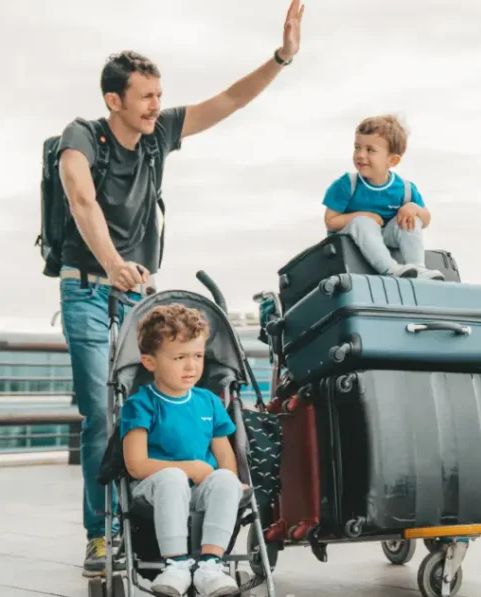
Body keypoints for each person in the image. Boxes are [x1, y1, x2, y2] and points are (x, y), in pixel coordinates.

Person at [56, 0, 304, 577]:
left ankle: (181, 523)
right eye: (146, 96)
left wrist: (281, 58)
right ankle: (102, 533)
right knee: (102, 411)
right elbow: (79, 193)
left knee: (171, 401)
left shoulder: (158, 134)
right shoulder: (82, 135)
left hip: (140, 295)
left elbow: (229, 101)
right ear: (114, 100)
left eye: (159, 94)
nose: (156, 106)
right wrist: (113, 260)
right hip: (90, 289)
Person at [120, 304, 244, 597]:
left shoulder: (209, 402)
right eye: (179, 357)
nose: (192, 366)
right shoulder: (141, 404)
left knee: (227, 479)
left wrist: (228, 483)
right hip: (153, 487)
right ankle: (175, 564)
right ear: (149, 362)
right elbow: (135, 465)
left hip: (199, 489)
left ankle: (211, 565)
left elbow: (225, 455)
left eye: (198, 356)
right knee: (173, 478)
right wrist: (189, 468)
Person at [321, 115, 445, 280]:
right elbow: (330, 221)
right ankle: (390, 269)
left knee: (411, 218)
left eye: (370, 150)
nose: (360, 155)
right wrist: (362, 216)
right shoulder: (346, 185)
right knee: (363, 223)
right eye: (357, 147)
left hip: (385, 238)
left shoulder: (405, 189)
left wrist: (414, 209)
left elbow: (426, 219)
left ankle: (418, 268)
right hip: (352, 242)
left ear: (392, 160)